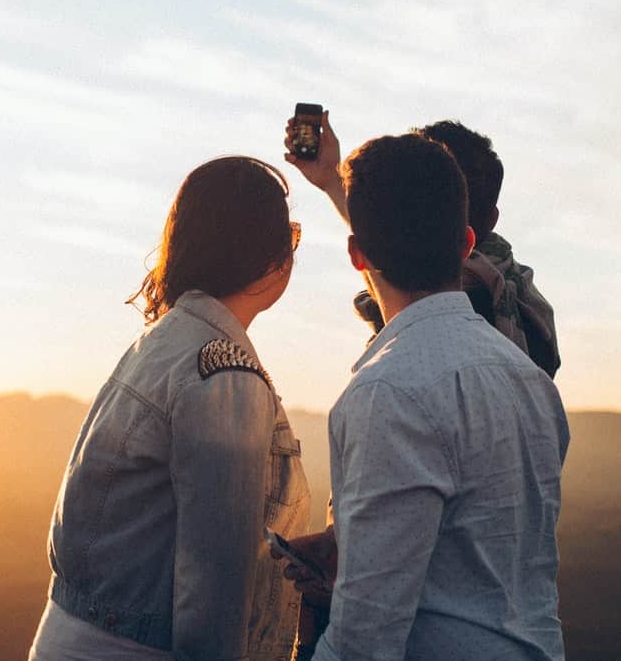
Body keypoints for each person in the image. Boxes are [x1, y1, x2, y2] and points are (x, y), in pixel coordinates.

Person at [279, 134, 571, 660]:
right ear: (464, 244)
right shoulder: (533, 385)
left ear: (356, 254)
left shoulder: (387, 393)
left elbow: (365, 640)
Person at [29, 156, 311, 661]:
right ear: (270, 258)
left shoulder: (161, 342)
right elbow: (214, 594)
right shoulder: (226, 376)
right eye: (289, 237)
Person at [285, 114, 560, 379]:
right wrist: (332, 180)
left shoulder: (388, 381)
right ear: (488, 223)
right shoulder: (524, 319)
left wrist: (334, 181)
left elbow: (382, 242)